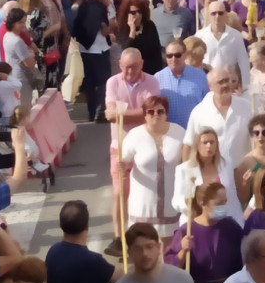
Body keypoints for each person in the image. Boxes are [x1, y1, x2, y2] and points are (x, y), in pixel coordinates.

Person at [103, 48, 161, 257]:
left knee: (146, 194)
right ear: (120, 65)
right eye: (126, 67)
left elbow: (151, 112)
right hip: (120, 148)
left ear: (142, 64)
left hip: (146, 147)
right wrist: (139, 113)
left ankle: (144, 238)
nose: (129, 71)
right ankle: (119, 238)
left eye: (134, 67)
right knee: (120, 194)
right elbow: (110, 115)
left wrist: (123, 114)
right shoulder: (112, 82)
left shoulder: (152, 82)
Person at [119, 94, 186, 240]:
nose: (156, 114)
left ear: (166, 113)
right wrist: (122, 167)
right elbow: (124, 162)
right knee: (144, 249)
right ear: (145, 115)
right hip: (143, 206)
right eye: (150, 111)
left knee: (168, 253)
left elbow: (187, 162)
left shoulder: (179, 132)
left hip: (171, 205)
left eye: (160, 111)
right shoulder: (134, 135)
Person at [164, 181, 244, 283]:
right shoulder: (186, 231)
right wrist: (182, 251)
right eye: (218, 203)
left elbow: (245, 256)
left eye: (225, 202)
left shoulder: (232, 227)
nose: (223, 206)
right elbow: (169, 266)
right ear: (203, 203)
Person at [172, 127, 244, 228]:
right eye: (205, 142)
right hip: (196, 222)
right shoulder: (183, 169)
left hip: (225, 221)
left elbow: (232, 196)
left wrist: (239, 222)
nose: (209, 146)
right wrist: (192, 207)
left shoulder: (226, 164)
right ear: (197, 145)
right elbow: (176, 201)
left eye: (212, 142)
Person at [45, 200, 122, 283]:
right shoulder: (93, 261)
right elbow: (121, 277)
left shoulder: (53, 251)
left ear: (61, 225)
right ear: (87, 225)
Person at [182, 67, 251, 165]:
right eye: (221, 82)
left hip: (241, 171)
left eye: (227, 80)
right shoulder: (199, 112)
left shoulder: (246, 107)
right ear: (210, 86)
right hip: (211, 172)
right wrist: (188, 175)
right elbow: (188, 144)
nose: (226, 85)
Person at [112, 222, 195, 283]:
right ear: (129, 253)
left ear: (159, 248)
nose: (144, 253)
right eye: (138, 249)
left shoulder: (183, 280)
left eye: (149, 247)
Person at [194, 1, 250, 90]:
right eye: (213, 13)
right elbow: (194, 62)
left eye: (220, 13)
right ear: (208, 15)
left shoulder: (236, 35)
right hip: (207, 84)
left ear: (225, 15)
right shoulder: (200, 35)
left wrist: (246, 86)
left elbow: (243, 62)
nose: (217, 16)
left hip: (229, 84)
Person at [155, 39, 209, 128]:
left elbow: (208, 104)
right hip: (169, 133)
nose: (173, 59)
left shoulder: (200, 76)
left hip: (195, 131)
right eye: (169, 55)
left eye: (177, 55)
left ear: (185, 55)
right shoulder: (158, 78)